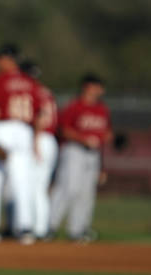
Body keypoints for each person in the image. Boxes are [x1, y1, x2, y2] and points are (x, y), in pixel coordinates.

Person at [0, 44, 41, 245]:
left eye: (0, 58)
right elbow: (40, 114)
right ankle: (25, 229)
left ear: (8, 59)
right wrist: (35, 140)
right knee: (21, 181)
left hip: (4, 128)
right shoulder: (30, 82)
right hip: (24, 130)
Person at [49, 74, 112, 242]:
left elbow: (107, 133)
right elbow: (64, 130)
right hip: (74, 150)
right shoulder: (74, 106)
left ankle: (78, 229)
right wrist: (83, 139)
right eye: (97, 86)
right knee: (68, 188)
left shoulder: (102, 109)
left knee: (86, 193)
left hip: (93, 154)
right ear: (87, 87)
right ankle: (49, 226)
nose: (100, 90)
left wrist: (103, 163)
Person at [20, 60, 59, 240]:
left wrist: (35, 140)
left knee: (32, 188)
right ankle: (41, 228)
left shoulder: (31, 90)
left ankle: (38, 229)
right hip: (49, 139)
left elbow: (40, 117)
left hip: (39, 138)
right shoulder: (46, 91)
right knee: (40, 188)